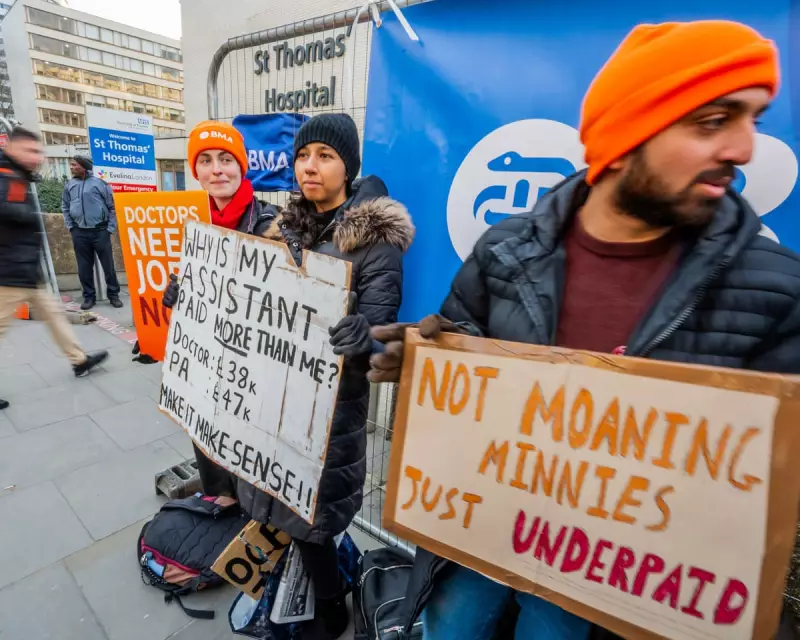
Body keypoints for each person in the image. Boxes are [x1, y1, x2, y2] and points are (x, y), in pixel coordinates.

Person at [368, 20, 800, 640]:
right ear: (627, 137)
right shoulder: (506, 248)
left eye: (752, 120)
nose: (742, 148)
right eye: (711, 121)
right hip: (481, 535)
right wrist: (415, 359)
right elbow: (461, 347)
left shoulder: (777, 290)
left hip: (609, 590)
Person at [165, 113, 414, 639]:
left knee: (313, 523)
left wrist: (363, 334)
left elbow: (383, 326)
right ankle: (309, 590)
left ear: (348, 166)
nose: (310, 166)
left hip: (328, 416)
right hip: (272, 403)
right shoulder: (281, 229)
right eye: (303, 155)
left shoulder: (377, 241)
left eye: (325, 156)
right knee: (280, 513)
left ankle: (329, 609)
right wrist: (189, 297)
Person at [0, 127, 109, 410]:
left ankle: (79, 360)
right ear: (13, 149)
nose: (37, 158)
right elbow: (11, 214)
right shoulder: (7, 177)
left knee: (55, 315)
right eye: (31, 151)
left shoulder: (16, 176)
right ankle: (79, 359)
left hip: (26, 271)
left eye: (39, 152)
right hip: (8, 274)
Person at [62, 155, 122, 310]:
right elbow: (65, 207)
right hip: (80, 233)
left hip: (100, 231)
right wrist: (71, 227)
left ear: (83, 166)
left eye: (75, 165)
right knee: (84, 268)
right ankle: (89, 297)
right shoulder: (69, 185)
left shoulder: (100, 184)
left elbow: (112, 208)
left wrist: (110, 229)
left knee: (108, 266)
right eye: (72, 164)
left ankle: (114, 295)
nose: (72, 167)